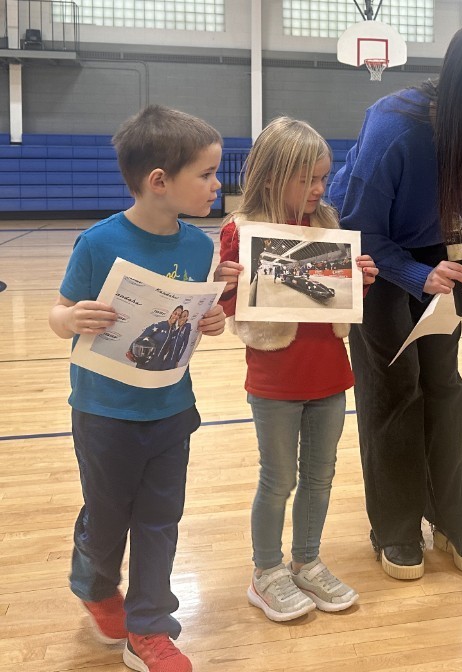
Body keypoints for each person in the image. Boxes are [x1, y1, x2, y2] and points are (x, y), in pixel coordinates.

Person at [328, 23, 462, 580]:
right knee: (395, 390)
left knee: (444, 384)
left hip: (434, 253)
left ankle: (451, 516)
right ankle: (393, 526)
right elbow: (359, 227)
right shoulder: (395, 126)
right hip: (372, 258)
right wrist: (414, 274)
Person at [48, 105, 227, 672]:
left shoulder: (201, 247)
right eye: (205, 174)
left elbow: (193, 316)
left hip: (172, 409)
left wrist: (212, 320)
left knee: (159, 520)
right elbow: (59, 310)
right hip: (104, 414)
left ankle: (149, 627)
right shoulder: (99, 244)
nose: (218, 184)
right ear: (159, 182)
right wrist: (71, 320)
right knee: (107, 519)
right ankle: (94, 582)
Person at [212, 117, 378, 620]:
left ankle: (307, 560)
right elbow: (221, 304)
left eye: (323, 178)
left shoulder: (328, 224)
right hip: (275, 378)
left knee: (321, 477)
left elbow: (337, 297)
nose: (319, 189)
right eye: (307, 179)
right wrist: (225, 284)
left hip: (330, 371)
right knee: (278, 477)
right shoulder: (239, 231)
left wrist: (361, 281)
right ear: (270, 176)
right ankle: (266, 572)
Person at [126, 305, 182, 370]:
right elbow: (142, 337)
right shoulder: (159, 325)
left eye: (179, 315)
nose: (176, 316)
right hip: (146, 362)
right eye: (175, 314)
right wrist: (130, 350)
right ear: (172, 313)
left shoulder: (173, 331)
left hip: (158, 364)